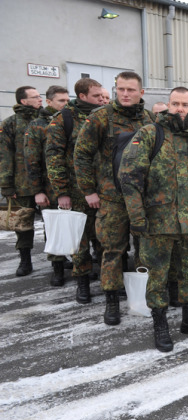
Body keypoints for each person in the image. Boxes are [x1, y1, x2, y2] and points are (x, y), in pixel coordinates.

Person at [120, 86, 188, 352]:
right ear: (167, 105)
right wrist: (137, 216)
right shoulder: (151, 134)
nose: (180, 109)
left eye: (185, 105)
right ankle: (161, 324)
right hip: (157, 223)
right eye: (175, 104)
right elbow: (129, 177)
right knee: (158, 276)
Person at [74, 71, 155, 325]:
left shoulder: (149, 118)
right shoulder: (100, 118)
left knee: (145, 250)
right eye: (121, 89)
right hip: (112, 198)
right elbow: (82, 155)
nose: (125, 94)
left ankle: (143, 297)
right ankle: (111, 301)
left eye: (131, 90)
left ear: (141, 93)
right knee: (112, 251)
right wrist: (89, 190)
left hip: (143, 198)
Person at [45, 78, 105, 303]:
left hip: (104, 189)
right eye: (96, 96)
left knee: (103, 237)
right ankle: (82, 282)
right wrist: (62, 192)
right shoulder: (63, 120)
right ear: (82, 96)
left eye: (102, 95)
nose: (101, 99)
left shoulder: (104, 116)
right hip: (76, 190)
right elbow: (53, 158)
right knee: (79, 241)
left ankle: (108, 280)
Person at [24, 85, 71, 285]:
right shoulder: (37, 125)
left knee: (74, 228)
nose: (65, 104)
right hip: (50, 188)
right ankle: (57, 269)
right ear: (49, 101)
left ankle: (75, 264)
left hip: (72, 186)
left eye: (68, 101)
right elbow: (32, 161)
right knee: (54, 229)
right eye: (61, 101)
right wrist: (38, 191)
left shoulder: (71, 121)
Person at [0, 86, 42, 277]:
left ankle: (58, 258)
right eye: (35, 97)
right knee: (23, 224)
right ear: (24, 101)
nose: (40, 99)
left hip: (45, 182)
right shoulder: (10, 124)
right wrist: (6, 184)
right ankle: (25, 260)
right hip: (22, 184)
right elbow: (4, 155)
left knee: (52, 222)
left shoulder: (45, 120)